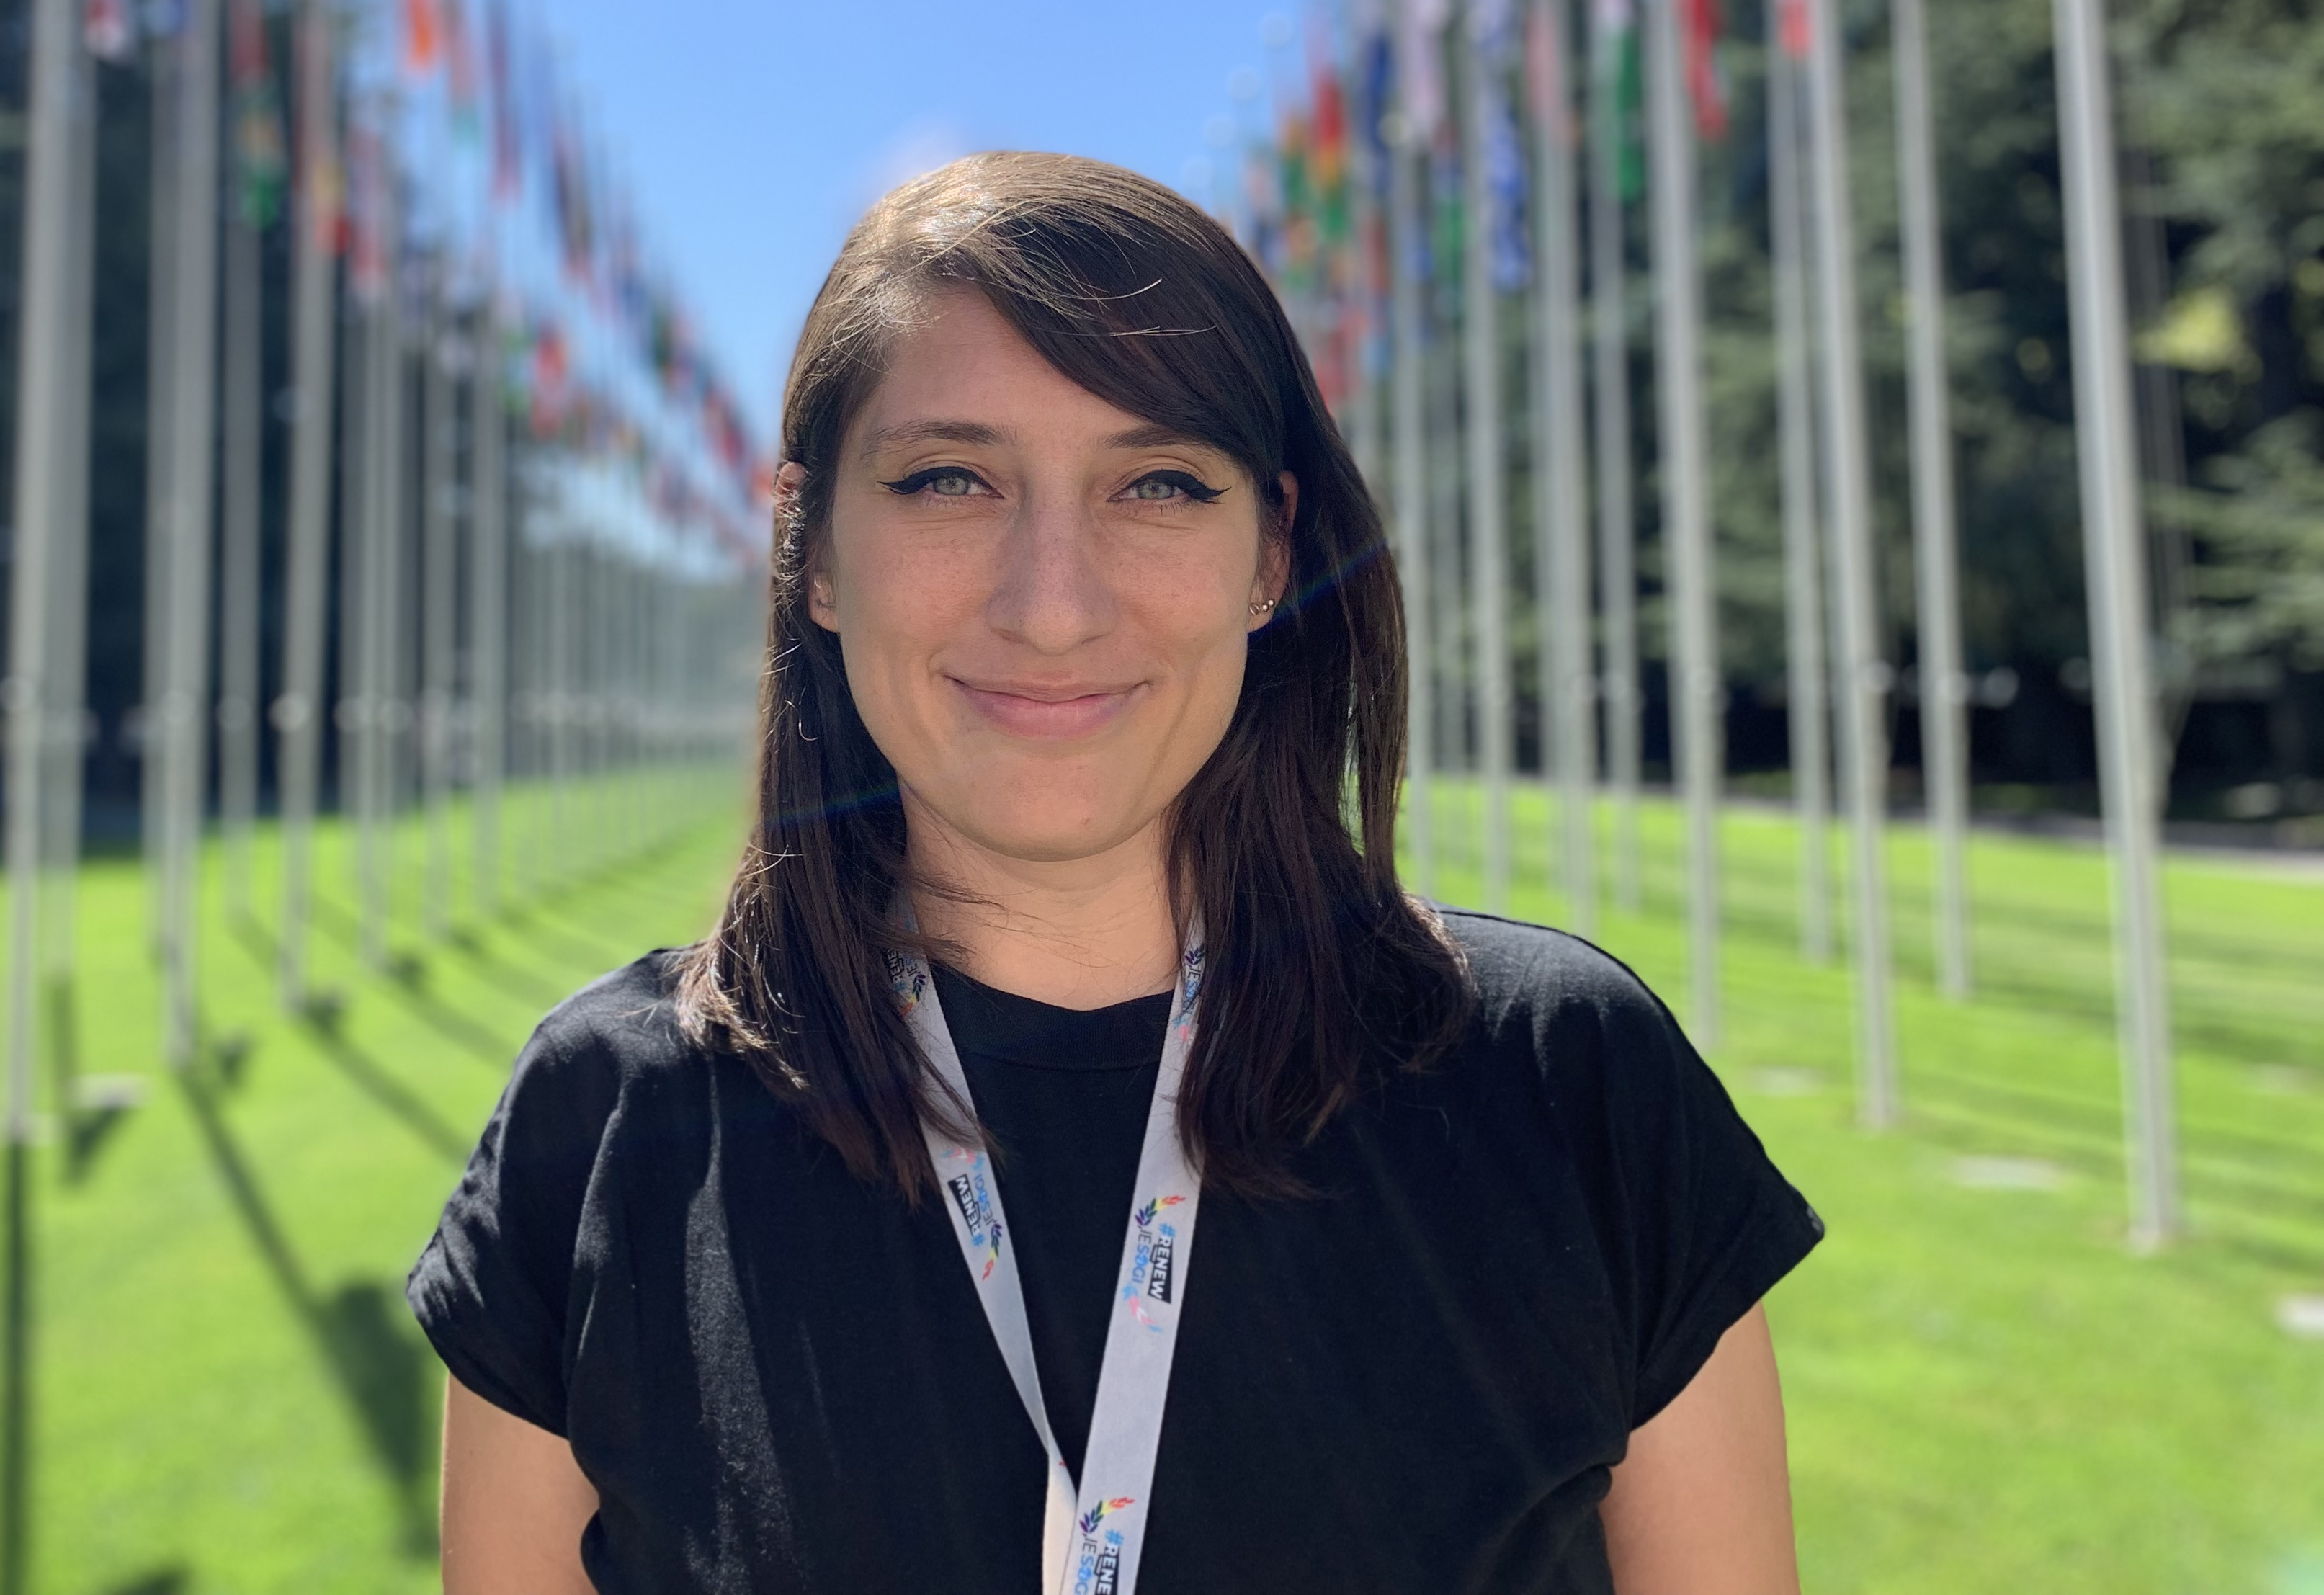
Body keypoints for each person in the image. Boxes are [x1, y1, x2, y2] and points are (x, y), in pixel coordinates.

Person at [410, 153, 1819, 1593]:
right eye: (949, 479)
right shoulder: (601, 1132)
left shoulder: (1567, 1081)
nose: (1055, 604)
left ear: (1270, 551)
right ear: (814, 549)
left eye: (1156, 481)